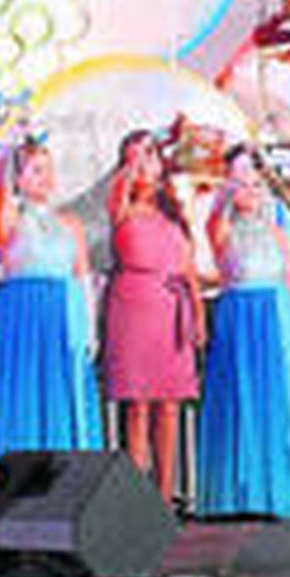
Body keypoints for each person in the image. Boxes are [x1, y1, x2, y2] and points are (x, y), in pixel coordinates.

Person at [0, 137, 103, 491]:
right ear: (19, 178)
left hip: (61, 315)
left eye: (48, 170)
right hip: (23, 317)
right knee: (22, 394)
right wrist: (9, 151)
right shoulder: (11, 218)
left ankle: (67, 485)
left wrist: (89, 328)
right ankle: (13, 486)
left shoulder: (70, 223)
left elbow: (83, 276)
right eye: (35, 170)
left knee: (61, 392)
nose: (45, 178)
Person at [197, 145, 290, 518]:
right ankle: (241, 493)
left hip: (276, 318)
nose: (249, 192)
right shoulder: (222, 230)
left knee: (278, 402)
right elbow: (214, 220)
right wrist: (230, 182)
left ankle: (280, 490)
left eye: (255, 186)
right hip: (240, 319)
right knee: (241, 398)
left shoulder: (277, 233)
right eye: (242, 186)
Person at [104, 128, 203, 507]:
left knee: (170, 405)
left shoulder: (173, 213)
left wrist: (197, 314)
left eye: (150, 156)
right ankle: (137, 499)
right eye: (135, 157)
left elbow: (188, 269)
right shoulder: (123, 208)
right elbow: (118, 194)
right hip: (133, 308)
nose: (144, 164)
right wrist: (134, 162)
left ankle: (163, 495)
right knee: (138, 405)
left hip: (170, 308)